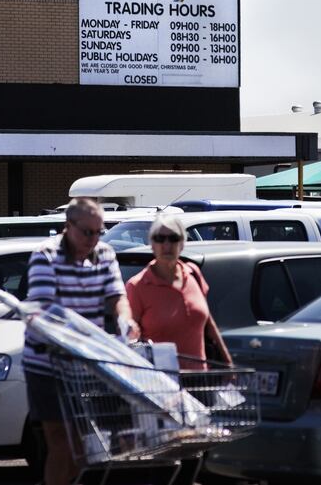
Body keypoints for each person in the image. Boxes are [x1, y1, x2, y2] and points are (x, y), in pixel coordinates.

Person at [23, 198, 140, 485]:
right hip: (46, 363)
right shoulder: (45, 255)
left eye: (99, 232)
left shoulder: (105, 253)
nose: (93, 239)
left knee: (84, 446)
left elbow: (116, 297)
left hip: (86, 364)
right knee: (60, 441)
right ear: (68, 226)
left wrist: (125, 319)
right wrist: (81, 337)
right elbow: (44, 309)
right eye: (86, 232)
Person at [125, 214, 232, 369]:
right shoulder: (137, 286)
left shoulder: (193, 273)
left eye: (173, 238)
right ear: (151, 244)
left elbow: (209, 324)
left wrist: (228, 363)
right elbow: (131, 340)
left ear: (182, 243)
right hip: (161, 385)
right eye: (160, 238)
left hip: (201, 383)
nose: (167, 245)